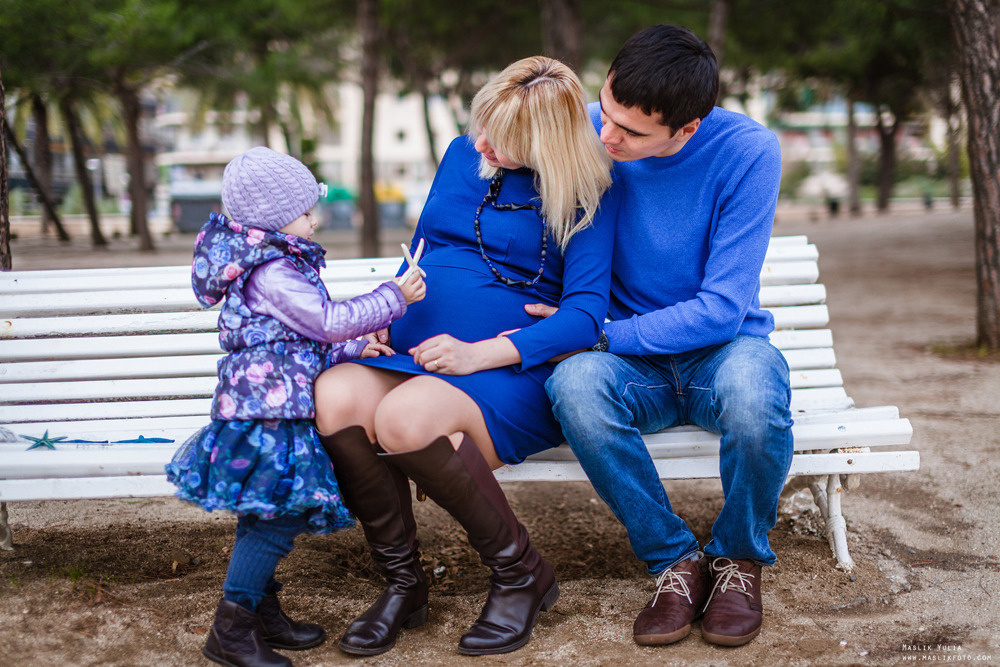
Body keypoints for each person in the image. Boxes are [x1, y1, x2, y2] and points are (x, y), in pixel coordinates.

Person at [312, 56, 619, 657]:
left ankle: (519, 573)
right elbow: (421, 253)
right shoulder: (462, 156)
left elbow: (584, 317)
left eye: (501, 141)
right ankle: (404, 584)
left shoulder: (588, 191)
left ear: (546, 145)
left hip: (509, 372)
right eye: (481, 126)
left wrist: (480, 354)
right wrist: (385, 318)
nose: (481, 144)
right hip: (416, 353)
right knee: (336, 396)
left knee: (405, 420)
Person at [534, 24, 791, 649]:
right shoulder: (587, 127)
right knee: (574, 385)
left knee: (756, 396)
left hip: (720, 352)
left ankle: (736, 560)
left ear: (687, 129)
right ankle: (673, 561)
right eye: (606, 109)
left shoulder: (748, 152)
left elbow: (722, 309)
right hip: (632, 370)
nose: (605, 135)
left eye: (629, 131)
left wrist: (601, 336)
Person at [165, 146, 426, 667]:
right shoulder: (271, 271)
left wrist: (356, 349)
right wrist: (394, 296)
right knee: (276, 515)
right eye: (306, 209)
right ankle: (231, 628)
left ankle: (260, 610)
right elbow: (325, 320)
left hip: (275, 404)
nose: (315, 217)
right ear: (274, 215)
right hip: (268, 414)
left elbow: (301, 341)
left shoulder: (276, 262)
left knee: (264, 510)